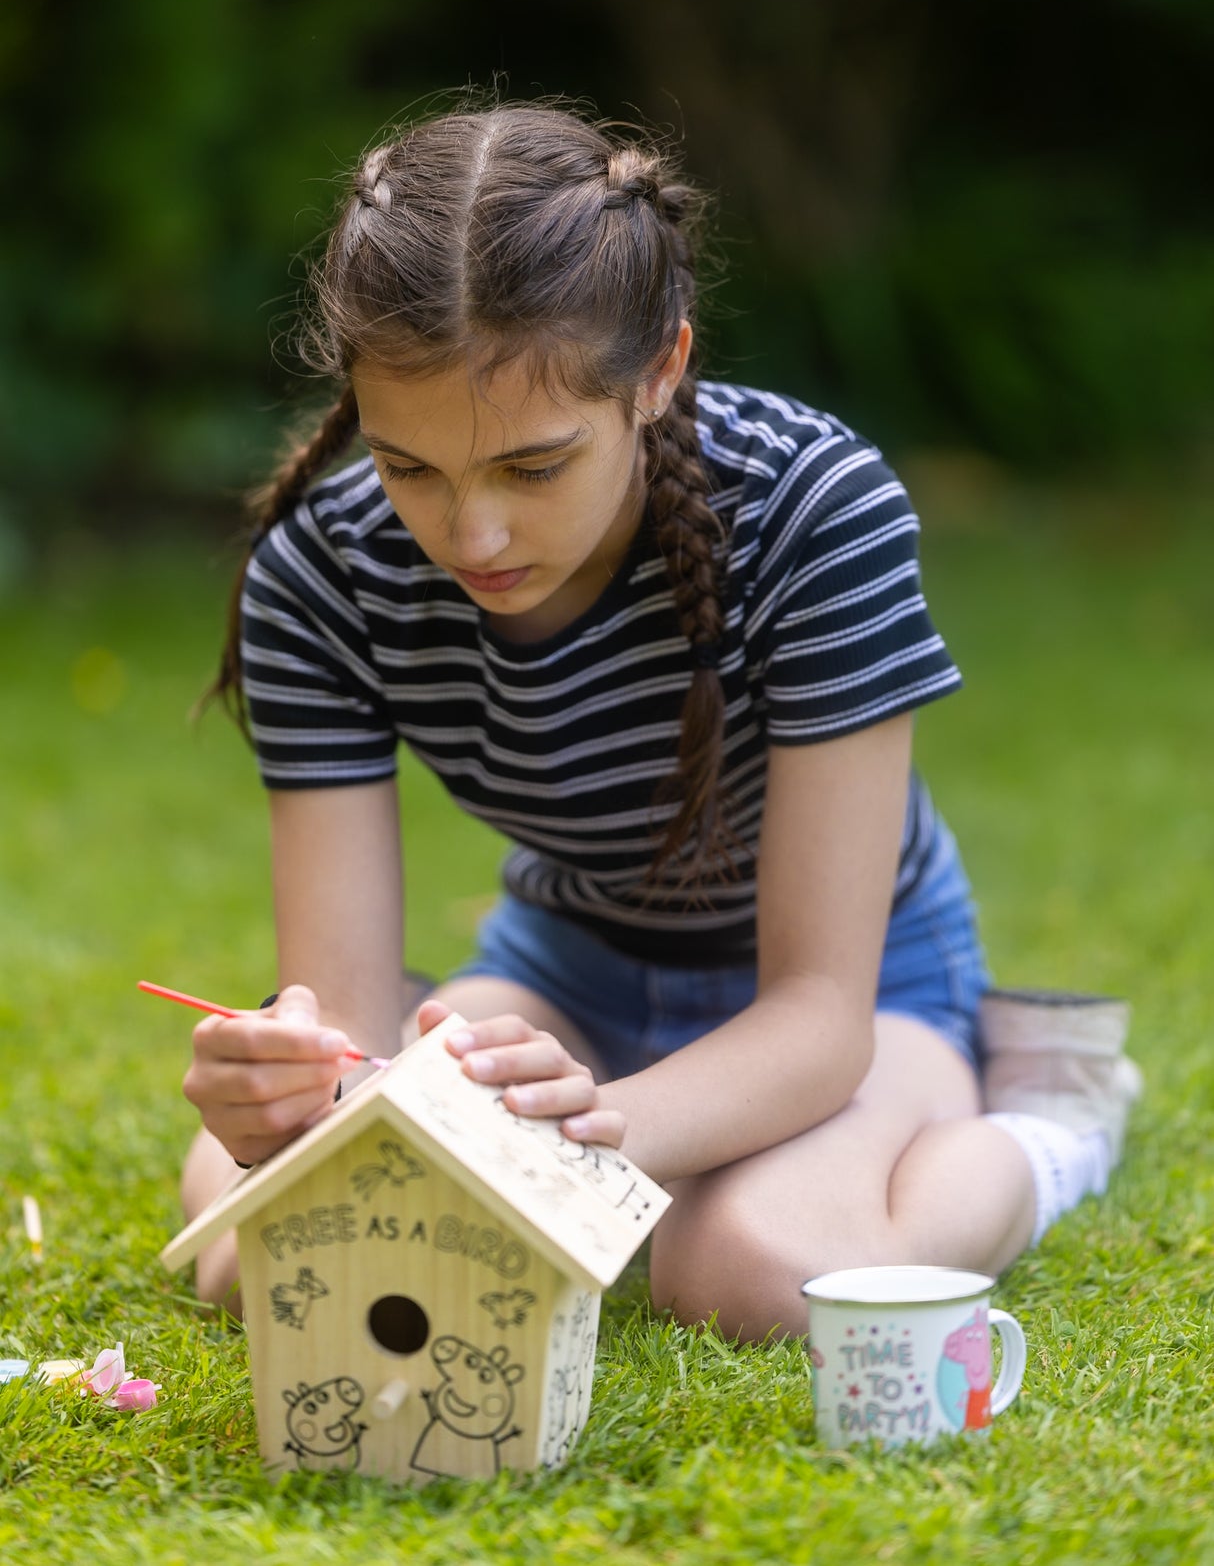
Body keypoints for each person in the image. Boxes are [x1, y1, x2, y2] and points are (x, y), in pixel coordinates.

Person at [181, 102, 1139, 1336]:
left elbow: (814, 1019)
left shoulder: (810, 506)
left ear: (661, 368)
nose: (470, 536)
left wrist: (595, 1125)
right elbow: (347, 1021)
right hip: (564, 974)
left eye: (532, 466)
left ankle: (1051, 1125)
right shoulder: (325, 569)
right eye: (411, 465)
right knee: (252, 1257)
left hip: (856, 995)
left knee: (741, 1264)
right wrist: (287, 1097)